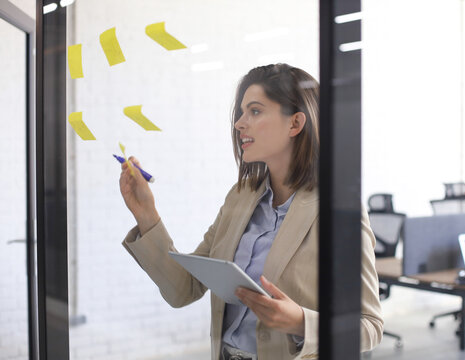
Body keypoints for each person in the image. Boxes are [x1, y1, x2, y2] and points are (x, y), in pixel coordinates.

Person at [119, 63, 383, 360]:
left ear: (295, 124)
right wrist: (146, 215)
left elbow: (370, 327)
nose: (239, 123)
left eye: (255, 111)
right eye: (241, 113)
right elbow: (185, 289)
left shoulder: (337, 210)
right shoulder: (240, 197)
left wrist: (299, 322)